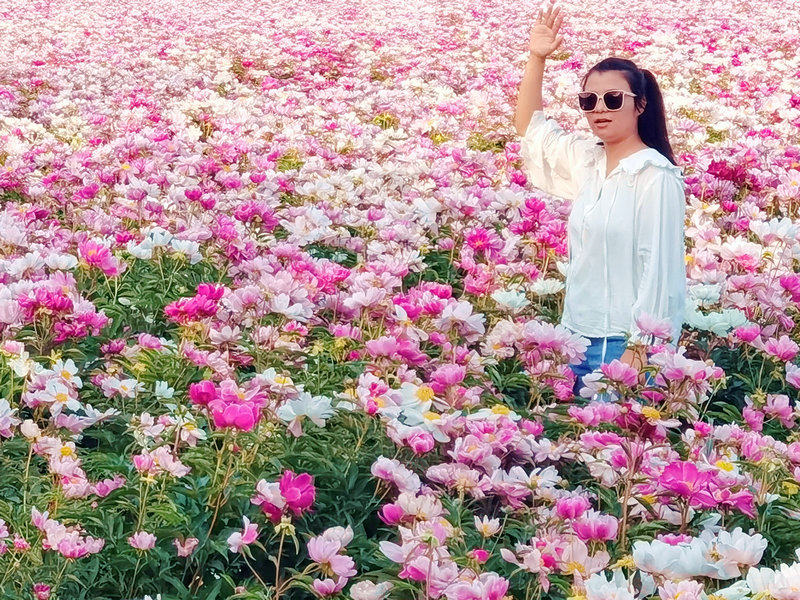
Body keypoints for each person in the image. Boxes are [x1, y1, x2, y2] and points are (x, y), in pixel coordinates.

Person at [514, 4, 687, 397]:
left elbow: (660, 270)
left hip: (623, 347)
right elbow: (530, 129)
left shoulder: (653, 176)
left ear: (640, 104)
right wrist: (536, 57)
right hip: (575, 335)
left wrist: (640, 351)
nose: (599, 110)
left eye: (612, 99)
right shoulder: (589, 161)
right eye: (588, 101)